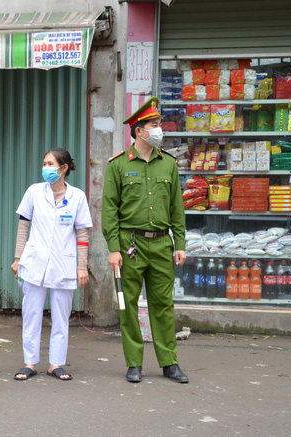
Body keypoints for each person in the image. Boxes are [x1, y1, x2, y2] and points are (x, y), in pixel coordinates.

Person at [101, 97, 189, 383]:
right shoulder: (118, 166)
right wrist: (114, 249)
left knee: (163, 305)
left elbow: (177, 207)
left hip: (162, 245)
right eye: (154, 125)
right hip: (131, 245)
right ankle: (134, 362)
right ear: (139, 131)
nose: (159, 129)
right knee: (128, 305)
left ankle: (169, 362)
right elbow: (109, 211)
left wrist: (181, 244)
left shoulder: (169, 165)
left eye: (159, 124)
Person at [11, 148, 93, 382]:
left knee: (60, 316)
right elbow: (23, 226)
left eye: (50, 164)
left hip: (64, 265)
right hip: (34, 263)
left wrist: (82, 266)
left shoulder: (77, 196)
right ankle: (30, 363)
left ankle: (56, 363)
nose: (45, 168)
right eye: (44, 163)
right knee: (31, 313)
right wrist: (18, 258)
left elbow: (82, 232)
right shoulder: (34, 192)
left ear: (63, 168)